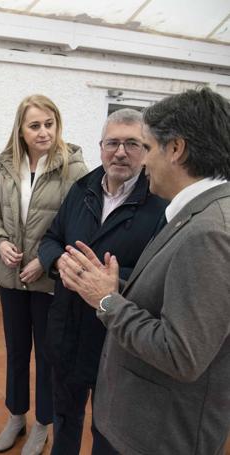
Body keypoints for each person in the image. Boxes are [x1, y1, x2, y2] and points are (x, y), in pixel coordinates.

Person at [58, 87, 230, 454]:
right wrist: (106, 282)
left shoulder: (211, 232)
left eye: (146, 147)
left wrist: (104, 299)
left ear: (176, 149)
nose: (142, 161)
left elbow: (180, 354)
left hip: (153, 435)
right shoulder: (197, 214)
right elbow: (169, 296)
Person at [37, 108, 167, 454]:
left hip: (116, 341)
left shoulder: (160, 205)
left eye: (132, 144)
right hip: (67, 332)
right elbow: (50, 239)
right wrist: (59, 262)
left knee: (108, 431)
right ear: (100, 147)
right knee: (65, 418)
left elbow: (158, 277)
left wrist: (106, 280)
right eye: (113, 143)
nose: (120, 152)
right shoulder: (82, 189)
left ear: (147, 150)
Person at [0, 94, 88, 454]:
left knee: (47, 353)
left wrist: (45, 260)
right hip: (10, 277)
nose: (43, 132)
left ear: (57, 125)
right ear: (21, 130)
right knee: (15, 350)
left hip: (47, 280)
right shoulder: (6, 166)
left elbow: (78, 225)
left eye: (49, 124)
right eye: (35, 125)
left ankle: (43, 422)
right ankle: (16, 415)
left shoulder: (73, 168)